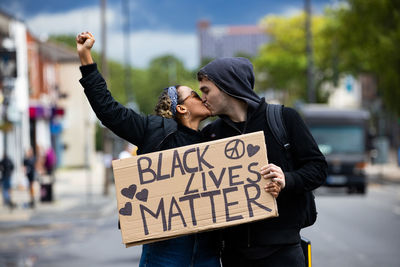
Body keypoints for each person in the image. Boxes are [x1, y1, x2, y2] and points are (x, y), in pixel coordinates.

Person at [77, 32, 278, 267]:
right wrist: (86, 57)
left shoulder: (215, 138)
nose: (202, 96)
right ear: (181, 109)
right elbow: (108, 110)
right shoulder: (153, 130)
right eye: (194, 94)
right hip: (166, 251)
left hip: (207, 251)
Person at [197, 57, 328, 266]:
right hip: (233, 255)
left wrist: (287, 179)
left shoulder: (284, 119)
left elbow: (318, 168)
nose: (202, 98)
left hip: (283, 251)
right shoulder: (211, 135)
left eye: (206, 90)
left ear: (227, 87)